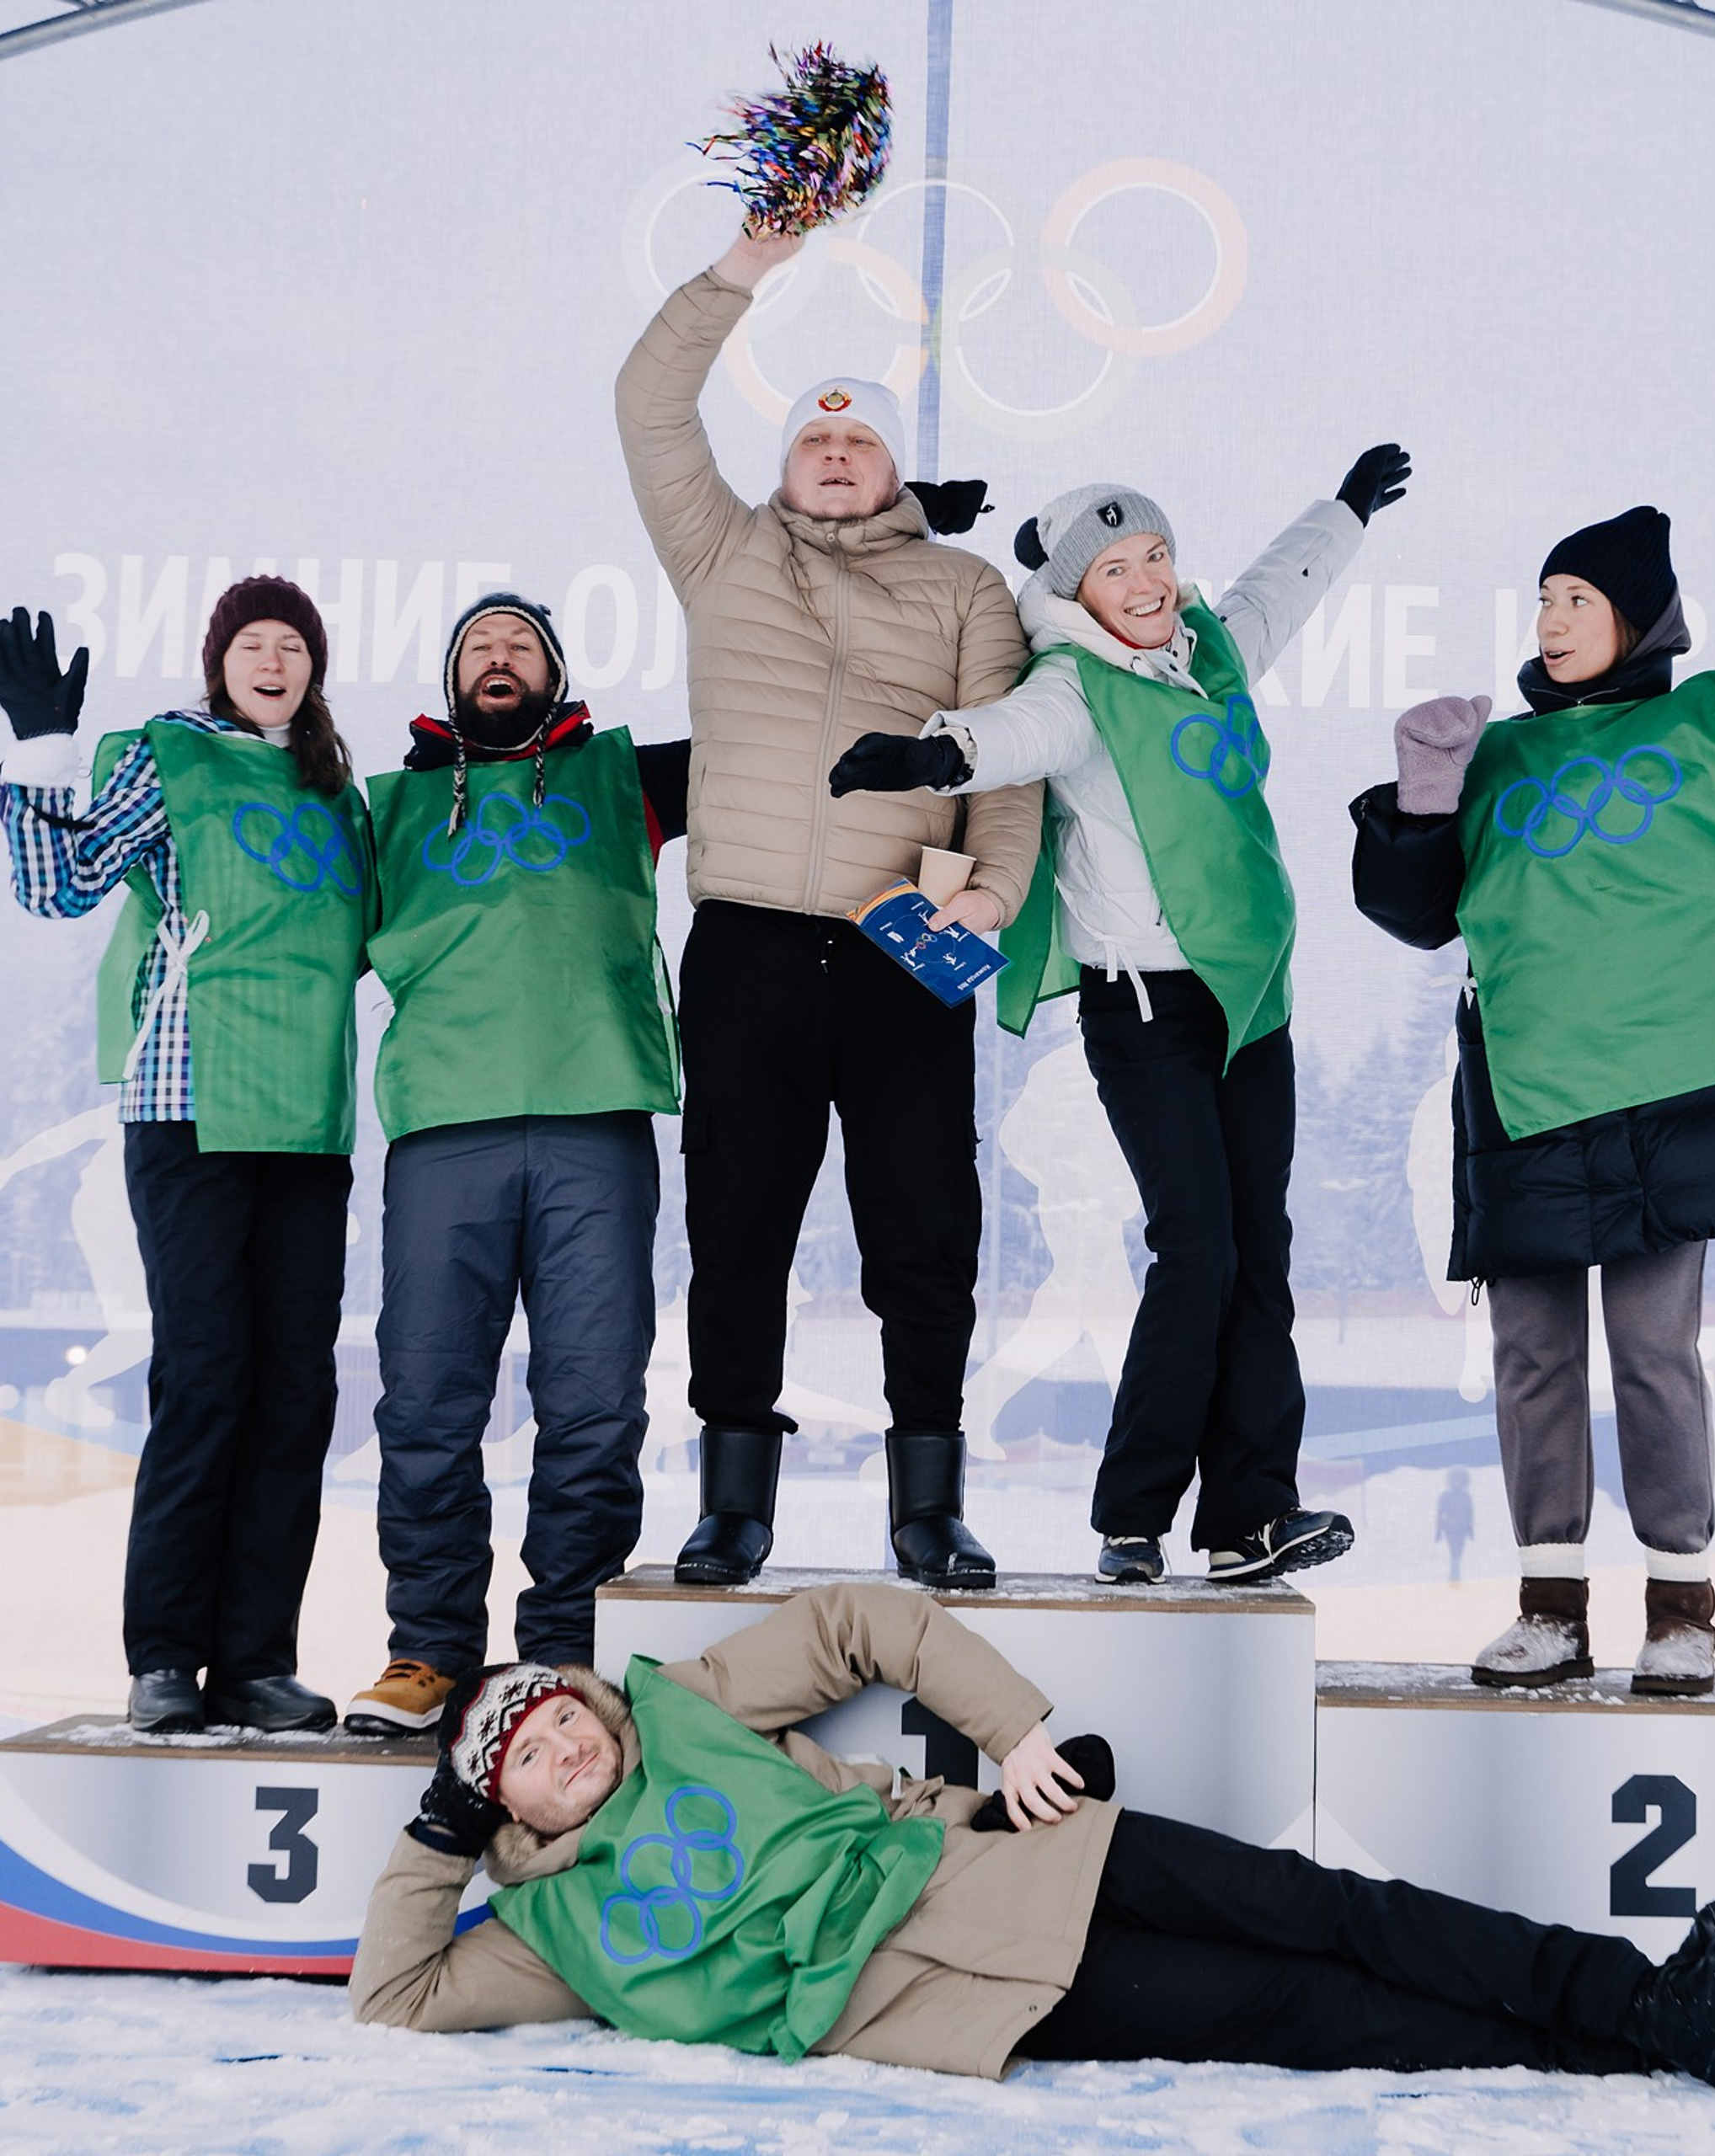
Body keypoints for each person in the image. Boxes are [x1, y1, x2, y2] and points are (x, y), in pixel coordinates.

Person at [1349, 344, 1715, 1694]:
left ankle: (1683, 1610)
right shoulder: (1495, 753)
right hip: (1535, 1088)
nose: (1552, 617)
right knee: (1533, 1355)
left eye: (1580, 597)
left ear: (1641, 617)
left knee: (1654, 1354)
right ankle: (1549, 1607)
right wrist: (1424, 798)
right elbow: (1417, 914)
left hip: (1685, 1081)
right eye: (1545, 595)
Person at [350, 1580, 1715, 2089]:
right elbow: (396, 1994)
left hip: (1007, 1854)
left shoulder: (685, 1705)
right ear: (507, 1813)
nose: (564, 1744)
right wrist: (432, 1836)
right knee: (1306, 2008)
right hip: (971, 1995)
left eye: (558, 1716)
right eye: (526, 1759)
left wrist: (1015, 1733)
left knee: (1325, 1906)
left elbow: (865, 1622)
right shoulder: (547, 1934)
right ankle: (1610, 2048)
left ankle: (1636, 1998)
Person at [830, 451, 1411, 1584]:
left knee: (1261, 1254)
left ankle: (1253, 1516)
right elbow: (1013, 736)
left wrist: (1340, 510)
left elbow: (1276, 586)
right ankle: (1133, 1516)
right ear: (1075, 593)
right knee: (1198, 1246)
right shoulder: (1076, 684)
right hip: (1145, 1007)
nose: (1145, 580)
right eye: (1116, 566)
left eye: (1156, 555)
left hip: (1250, 999)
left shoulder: (1211, 652)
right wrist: (928, 753)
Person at [615, 222, 1042, 1592]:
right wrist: (739, 271)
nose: (840, 455)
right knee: (739, 1226)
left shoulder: (968, 588)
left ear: (899, 471)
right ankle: (733, 1500)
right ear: (784, 462)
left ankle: (929, 1503)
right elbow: (648, 403)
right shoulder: (722, 553)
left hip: (899, 953)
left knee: (927, 1227)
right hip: (744, 943)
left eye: (861, 443)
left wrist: (990, 899)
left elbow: (1009, 768)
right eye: (816, 439)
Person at [0, 577, 367, 1732]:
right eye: (252, 641)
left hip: (308, 1120)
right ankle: (166, 1656)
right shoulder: (170, 757)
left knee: (297, 1394)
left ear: (314, 670)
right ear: (219, 662)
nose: (272, 658)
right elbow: (60, 884)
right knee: (208, 1380)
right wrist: (44, 748)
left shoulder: (337, 794)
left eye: (292, 644)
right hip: (190, 1101)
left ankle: (255, 1660)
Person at [343, 596, 690, 1735]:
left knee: (594, 1403)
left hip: (598, 1125)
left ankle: (564, 1652)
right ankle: (431, 1651)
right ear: (451, 681)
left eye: (521, 644)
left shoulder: (624, 780)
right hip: (448, 1129)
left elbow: (782, 727)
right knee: (430, 1403)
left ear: (555, 670)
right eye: (478, 648)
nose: (500, 659)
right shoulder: (384, 810)